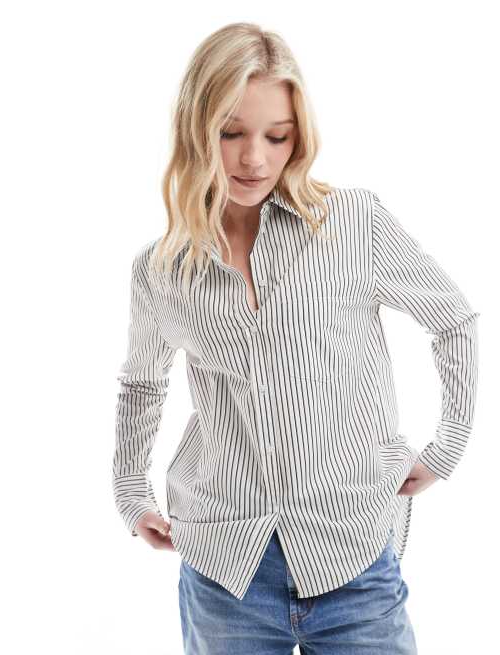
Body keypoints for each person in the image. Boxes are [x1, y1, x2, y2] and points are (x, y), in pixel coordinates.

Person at [112, 22, 479, 655]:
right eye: (230, 133)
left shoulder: (353, 224)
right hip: (224, 567)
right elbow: (143, 383)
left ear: (298, 136)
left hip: (352, 558)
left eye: (276, 136)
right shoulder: (161, 268)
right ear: (196, 130)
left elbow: (453, 320)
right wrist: (129, 489)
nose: (253, 159)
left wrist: (447, 446)